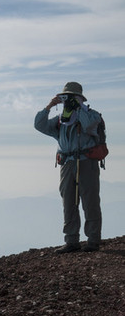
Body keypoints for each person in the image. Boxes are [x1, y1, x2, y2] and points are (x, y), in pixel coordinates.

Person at [34, 81, 103, 253]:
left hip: (87, 162)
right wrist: (50, 106)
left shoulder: (92, 115)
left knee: (90, 201)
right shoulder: (60, 121)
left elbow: (89, 126)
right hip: (67, 163)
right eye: (66, 98)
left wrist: (78, 109)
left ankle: (93, 241)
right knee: (69, 202)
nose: (68, 102)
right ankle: (71, 241)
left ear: (79, 98)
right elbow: (39, 125)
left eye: (71, 97)